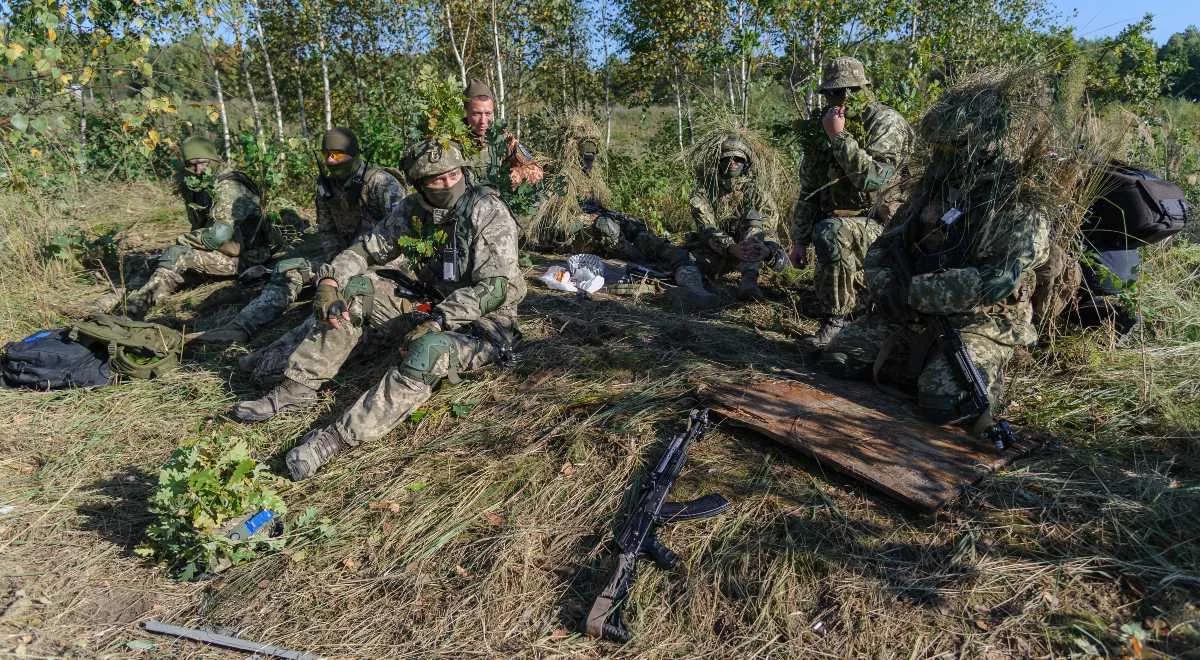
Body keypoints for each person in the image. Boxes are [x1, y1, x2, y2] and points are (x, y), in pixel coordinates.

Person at [229, 139, 525, 481]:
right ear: (419, 185)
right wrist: (329, 283)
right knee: (358, 290)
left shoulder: (486, 211)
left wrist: (440, 321)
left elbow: (495, 289)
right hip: (429, 301)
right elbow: (366, 250)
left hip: (483, 326)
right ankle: (296, 388)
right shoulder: (413, 211)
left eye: (454, 174)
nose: (448, 183)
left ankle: (333, 439)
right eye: (437, 179)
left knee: (427, 353)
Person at [818, 70, 1052, 431]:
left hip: (982, 323)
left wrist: (914, 292)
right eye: (939, 146)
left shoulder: (1015, 203)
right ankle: (918, 364)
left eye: (953, 146)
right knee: (838, 360)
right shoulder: (932, 190)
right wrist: (887, 286)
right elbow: (883, 247)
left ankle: (997, 364)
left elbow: (995, 281)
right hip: (910, 316)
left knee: (942, 404)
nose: (943, 155)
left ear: (982, 143)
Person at [194, 128, 406, 344]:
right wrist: (335, 265)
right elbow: (327, 230)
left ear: (353, 154)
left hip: (381, 263)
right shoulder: (326, 187)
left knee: (352, 292)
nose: (332, 161)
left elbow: (401, 233)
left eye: (338, 155)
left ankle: (288, 351)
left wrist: (347, 270)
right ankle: (240, 327)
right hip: (342, 260)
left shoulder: (382, 183)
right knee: (289, 269)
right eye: (327, 155)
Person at [790, 56, 913, 349]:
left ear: (865, 89)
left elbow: (873, 180)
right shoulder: (824, 125)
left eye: (852, 91)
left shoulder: (886, 122)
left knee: (831, 231)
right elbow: (810, 188)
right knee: (829, 229)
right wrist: (798, 240)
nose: (844, 98)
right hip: (840, 222)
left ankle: (838, 322)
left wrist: (839, 136)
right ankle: (852, 305)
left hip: (883, 226)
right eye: (835, 92)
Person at [124, 136, 271, 318]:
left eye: (202, 163)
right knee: (152, 261)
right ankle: (124, 300)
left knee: (176, 255)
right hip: (223, 251)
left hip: (248, 257)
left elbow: (219, 236)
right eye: (191, 165)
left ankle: (135, 310)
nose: (197, 169)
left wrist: (184, 240)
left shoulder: (228, 186)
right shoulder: (200, 185)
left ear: (214, 159)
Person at [462, 79, 543, 187]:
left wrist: (517, 175)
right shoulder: (450, 138)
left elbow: (536, 169)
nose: (483, 121)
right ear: (466, 111)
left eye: (488, 113)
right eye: (476, 114)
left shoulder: (503, 138)